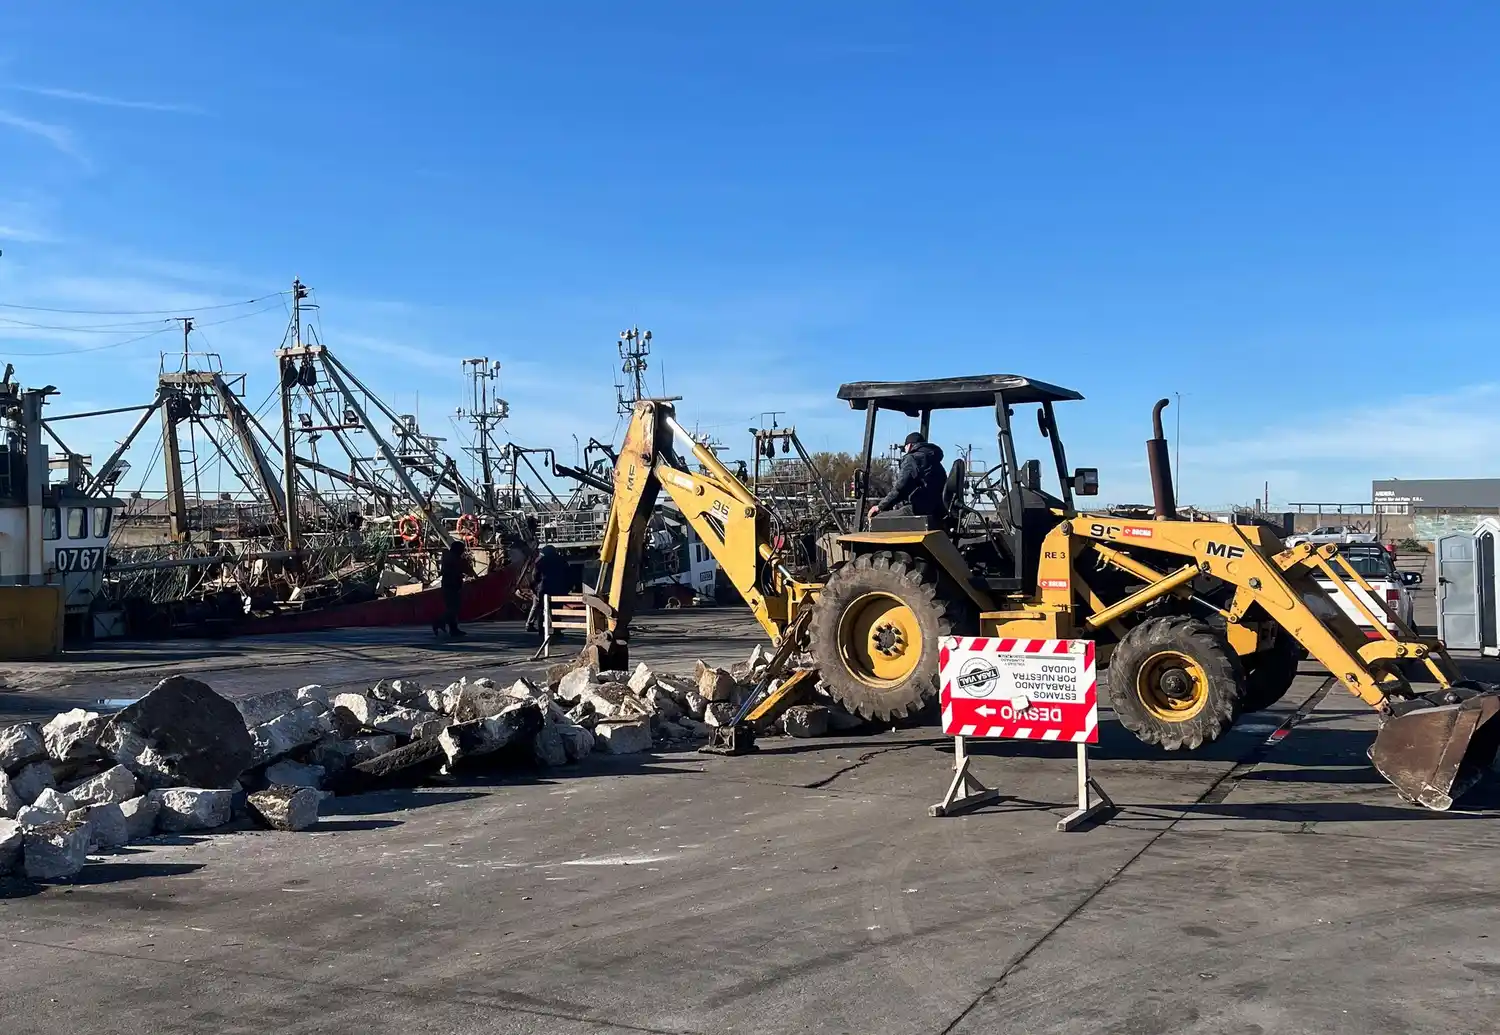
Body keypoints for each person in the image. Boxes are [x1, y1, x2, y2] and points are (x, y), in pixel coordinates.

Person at [868, 432, 947, 521]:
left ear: (909, 446)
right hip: (937, 511)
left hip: (918, 510)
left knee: (877, 519)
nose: (904, 452)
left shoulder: (911, 459)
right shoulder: (936, 463)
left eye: (904, 449)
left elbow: (901, 488)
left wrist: (880, 506)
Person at [525, 544, 573, 639]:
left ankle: (542, 631)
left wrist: (536, 587)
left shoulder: (541, 561)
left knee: (542, 610)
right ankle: (557, 630)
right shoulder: (562, 560)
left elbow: (535, 575)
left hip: (544, 588)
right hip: (559, 588)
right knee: (557, 611)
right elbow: (569, 575)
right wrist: (568, 587)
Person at [433, 540, 475, 638]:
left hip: (449, 584)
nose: (463, 551)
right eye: (462, 549)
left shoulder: (448, 557)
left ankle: (453, 629)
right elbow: (465, 569)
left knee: (452, 607)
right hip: (451, 585)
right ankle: (439, 622)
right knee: (454, 608)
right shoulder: (454, 559)